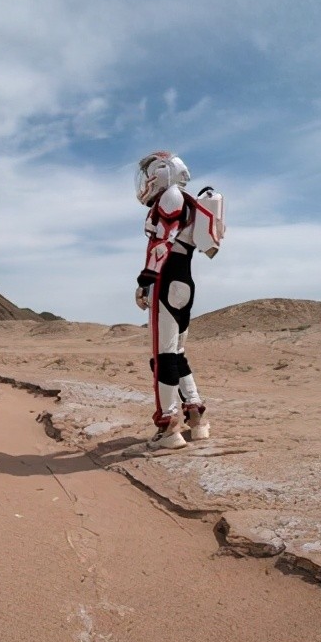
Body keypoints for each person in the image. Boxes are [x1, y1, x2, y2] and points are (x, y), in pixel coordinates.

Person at [134, 150, 210, 449]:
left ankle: (169, 427)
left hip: (167, 282)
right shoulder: (188, 201)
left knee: (163, 356)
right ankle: (196, 417)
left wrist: (145, 281)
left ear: (162, 172)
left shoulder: (170, 197)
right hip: (185, 282)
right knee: (176, 353)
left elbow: (162, 243)